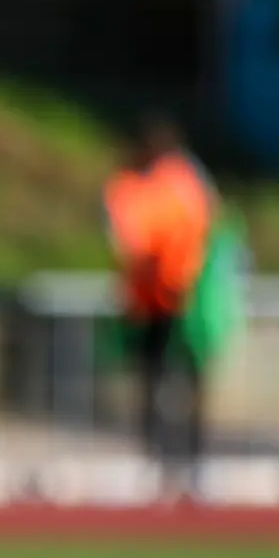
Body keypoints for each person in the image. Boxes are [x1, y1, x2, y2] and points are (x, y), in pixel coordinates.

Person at [104, 117, 216, 482]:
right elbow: (129, 239)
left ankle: (188, 458)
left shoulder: (180, 181)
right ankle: (161, 458)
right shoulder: (141, 184)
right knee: (158, 377)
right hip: (157, 298)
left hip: (183, 295)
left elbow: (198, 231)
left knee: (183, 377)